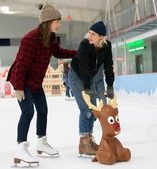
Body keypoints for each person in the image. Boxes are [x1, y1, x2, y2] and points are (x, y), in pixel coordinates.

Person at [7, 3, 77, 166]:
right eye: (57, 21)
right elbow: (22, 65)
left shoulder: (50, 37)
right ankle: (20, 147)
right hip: (22, 79)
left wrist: (77, 53)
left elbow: (58, 52)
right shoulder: (30, 39)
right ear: (48, 21)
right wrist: (18, 88)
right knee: (28, 112)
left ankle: (41, 142)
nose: (59, 24)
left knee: (43, 110)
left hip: (35, 81)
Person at [68, 21, 115, 156]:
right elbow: (84, 67)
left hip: (91, 78)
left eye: (93, 34)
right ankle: (83, 142)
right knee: (86, 109)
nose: (90, 36)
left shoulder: (107, 46)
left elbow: (108, 66)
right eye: (89, 32)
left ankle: (89, 139)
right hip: (77, 77)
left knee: (94, 111)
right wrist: (88, 88)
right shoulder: (84, 44)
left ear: (101, 37)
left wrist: (110, 86)